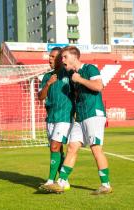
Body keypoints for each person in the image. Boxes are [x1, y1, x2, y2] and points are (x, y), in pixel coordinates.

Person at [44, 46, 112, 195]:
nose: (62, 60)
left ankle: (106, 185)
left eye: (64, 57)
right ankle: (61, 182)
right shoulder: (73, 75)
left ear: (74, 57)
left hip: (93, 114)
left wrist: (80, 79)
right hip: (80, 117)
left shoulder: (89, 68)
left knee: (96, 149)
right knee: (72, 147)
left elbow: (99, 86)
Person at [38, 47, 75, 190]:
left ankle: (50, 181)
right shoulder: (47, 76)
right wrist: (48, 84)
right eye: (49, 56)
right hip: (51, 117)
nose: (49, 59)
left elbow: (77, 92)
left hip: (64, 116)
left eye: (53, 57)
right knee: (56, 150)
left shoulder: (69, 73)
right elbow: (40, 96)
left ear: (61, 58)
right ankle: (63, 180)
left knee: (55, 146)